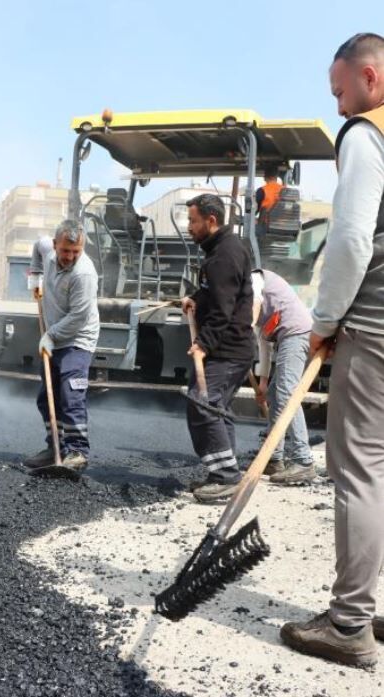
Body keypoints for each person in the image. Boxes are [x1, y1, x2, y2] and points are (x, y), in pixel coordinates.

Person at [280, 32, 384, 668]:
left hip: (375, 325)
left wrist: (325, 320)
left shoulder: (367, 134)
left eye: (340, 92)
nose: (339, 107)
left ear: (369, 78)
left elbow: (349, 241)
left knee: (360, 468)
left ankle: (348, 624)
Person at [180, 193, 254, 503]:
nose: (189, 227)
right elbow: (216, 291)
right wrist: (196, 297)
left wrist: (203, 344)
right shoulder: (221, 250)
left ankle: (225, 476)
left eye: (193, 221)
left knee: (203, 403)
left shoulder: (224, 255)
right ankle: (225, 472)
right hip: (231, 348)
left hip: (228, 349)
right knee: (216, 408)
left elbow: (223, 309)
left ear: (211, 220)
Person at [23, 221, 100, 472]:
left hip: (78, 338)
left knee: (70, 393)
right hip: (54, 336)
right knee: (46, 397)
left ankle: (77, 451)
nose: (70, 256)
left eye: (76, 251)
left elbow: (79, 317)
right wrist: (36, 275)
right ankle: (54, 447)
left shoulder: (84, 273)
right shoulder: (47, 250)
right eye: (65, 250)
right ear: (55, 244)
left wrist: (51, 335)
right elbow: (38, 245)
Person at [250, 268, 315, 484]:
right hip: (287, 337)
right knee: (274, 396)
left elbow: (256, 301)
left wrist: (246, 324)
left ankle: (303, 461)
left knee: (287, 393)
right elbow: (264, 345)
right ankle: (274, 458)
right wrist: (263, 383)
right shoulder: (254, 304)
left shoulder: (254, 278)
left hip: (297, 333)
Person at [255, 164, 284, 235]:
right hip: (283, 226)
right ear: (276, 177)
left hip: (266, 227)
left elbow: (254, 210)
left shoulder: (262, 190)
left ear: (265, 177)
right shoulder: (285, 190)